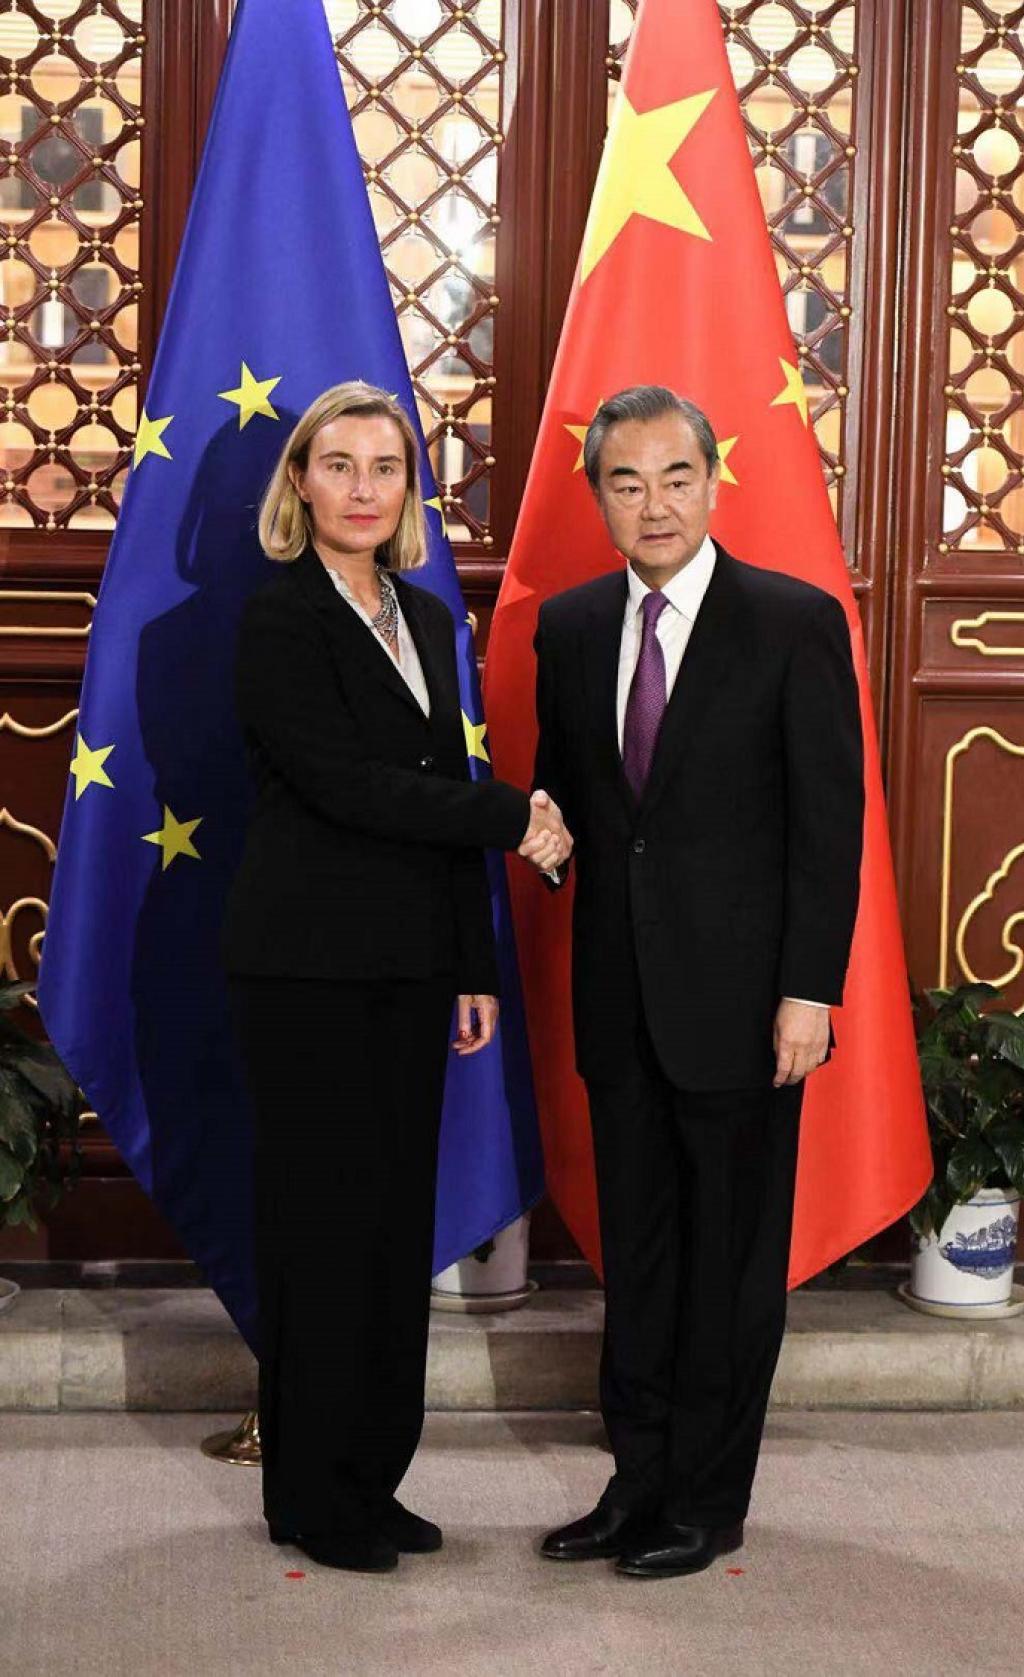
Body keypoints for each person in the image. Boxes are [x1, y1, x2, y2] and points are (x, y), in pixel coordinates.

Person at [222, 381, 571, 1574]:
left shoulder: (427, 619)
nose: (365, 488)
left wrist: (471, 959)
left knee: (389, 1235)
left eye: (386, 467)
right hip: (306, 968)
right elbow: (344, 786)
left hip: (413, 964)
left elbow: (423, 805)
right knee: (321, 1231)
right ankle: (312, 1496)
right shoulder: (276, 620)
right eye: (340, 465)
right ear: (301, 484)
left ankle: (374, 1477)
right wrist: (513, 817)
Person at [524, 384, 864, 1579]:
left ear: (713, 482)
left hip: (747, 1009)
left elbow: (830, 826)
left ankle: (706, 1503)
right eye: (626, 481)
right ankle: (636, 1482)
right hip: (618, 1003)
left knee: (728, 1265)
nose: (653, 504)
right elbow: (577, 803)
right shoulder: (566, 629)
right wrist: (550, 847)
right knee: (644, 1260)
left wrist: (808, 991)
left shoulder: (792, 621)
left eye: (675, 477)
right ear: (599, 496)